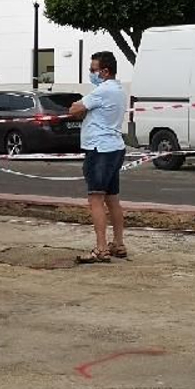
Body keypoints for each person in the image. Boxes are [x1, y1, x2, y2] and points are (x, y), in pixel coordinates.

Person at [67, 50, 128, 263]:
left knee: (95, 198)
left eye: (93, 70)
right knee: (112, 198)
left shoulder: (102, 91)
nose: (90, 73)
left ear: (104, 71)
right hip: (114, 147)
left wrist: (80, 110)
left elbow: (75, 109)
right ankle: (118, 243)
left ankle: (101, 247)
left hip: (99, 149)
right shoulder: (119, 89)